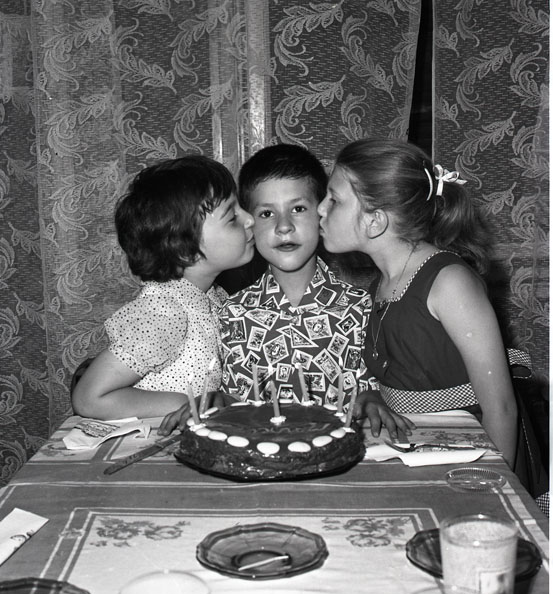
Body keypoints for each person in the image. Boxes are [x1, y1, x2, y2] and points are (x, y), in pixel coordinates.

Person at [159, 144, 412, 437]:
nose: (283, 226)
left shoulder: (361, 308)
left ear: (323, 213)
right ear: (249, 224)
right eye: (267, 213)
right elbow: (236, 400)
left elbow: (370, 389)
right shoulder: (232, 314)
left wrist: (372, 399)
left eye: (298, 209)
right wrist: (217, 400)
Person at [317, 137, 518, 464]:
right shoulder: (382, 284)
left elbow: (502, 408)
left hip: (473, 458)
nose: (321, 209)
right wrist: (374, 397)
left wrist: (493, 481)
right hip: (422, 455)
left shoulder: (449, 283)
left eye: (334, 200)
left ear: (375, 221)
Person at [72, 155, 255, 420]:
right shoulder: (165, 313)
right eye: (232, 217)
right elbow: (89, 398)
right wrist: (187, 404)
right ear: (184, 250)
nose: (249, 219)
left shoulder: (210, 298)